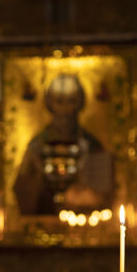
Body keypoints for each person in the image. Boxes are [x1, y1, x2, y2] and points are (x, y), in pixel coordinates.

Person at [13, 73, 115, 215]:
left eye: (71, 101)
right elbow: (22, 190)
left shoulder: (92, 145)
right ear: (50, 103)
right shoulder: (36, 146)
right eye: (60, 101)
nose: (66, 108)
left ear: (80, 103)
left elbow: (104, 194)